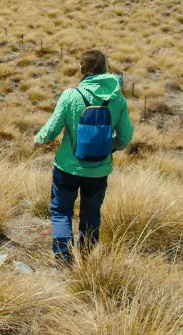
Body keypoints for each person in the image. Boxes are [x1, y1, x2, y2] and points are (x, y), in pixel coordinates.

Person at [34, 49, 134, 263]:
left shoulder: (71, 95)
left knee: (61, 211)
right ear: (106, 68)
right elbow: (126, 136)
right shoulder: (117, 99)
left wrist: (38, 139)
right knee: (91, 213)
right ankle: (86, 257)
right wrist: (110, 147)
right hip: (99, 170)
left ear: (82, 68)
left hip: (67, 167)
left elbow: (52, 130)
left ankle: (63, 257)